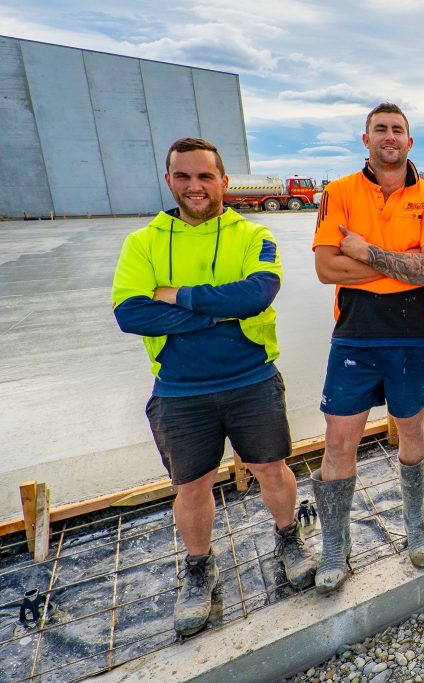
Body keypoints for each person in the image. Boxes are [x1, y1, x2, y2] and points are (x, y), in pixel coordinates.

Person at [112, 137, 315, 637]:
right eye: (184, 176)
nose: (195, 186)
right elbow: (131, 312)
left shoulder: (253, 234)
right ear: (170, 181)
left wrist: (178, 298)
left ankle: (288, 537)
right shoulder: (144, 242)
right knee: (193, 485)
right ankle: (199, 568)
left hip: (252, 380)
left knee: (272, 468)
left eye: (205, 176)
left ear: (224, 181)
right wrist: (219, 315)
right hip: (181, 389)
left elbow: (258, 294)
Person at [312, 103, 424, 591]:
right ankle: (335, 545)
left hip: (415, 336)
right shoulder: (338, 192)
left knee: (412, 431)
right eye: (381, 130)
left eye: (398, 130)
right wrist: (401, 264)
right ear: (365, 139)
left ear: (410, 142)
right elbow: (327, 269)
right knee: (338, 440)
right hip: (354, 333)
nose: (389, 136)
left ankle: (415, 524)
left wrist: (368, 252)